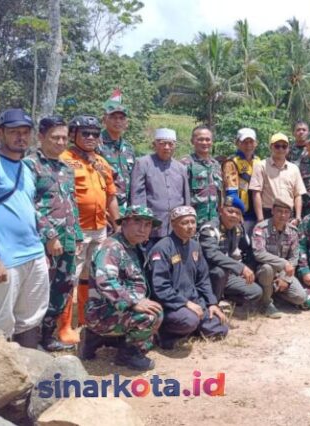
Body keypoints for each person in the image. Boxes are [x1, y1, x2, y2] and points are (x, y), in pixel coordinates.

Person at [0, 108, 48, 347]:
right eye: (14, 132)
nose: (20, 137)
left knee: (31, 317)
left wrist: (41, 251)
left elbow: (29, 210)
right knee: (0, 321)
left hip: (32, 254)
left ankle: (28, 370)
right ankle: (0, 377)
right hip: (3, 258)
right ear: (0, 132)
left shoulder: (27, 167)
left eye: (25, 132)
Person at [80, 206, 163, 371]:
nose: (142, 229)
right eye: (137, 222)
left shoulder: (135, 246)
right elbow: (106, 281)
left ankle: (96, 338)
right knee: (150, 316)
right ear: (124, 223)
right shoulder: (111, 247)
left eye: (147, 225)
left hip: (114, 308)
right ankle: (128, 354)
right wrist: (133, 303)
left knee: (155, 308)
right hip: (102, 312)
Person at [24, 115, 83, 351]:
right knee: (39, 289)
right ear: (41, 137)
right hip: (44, 242)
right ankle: (31, 339)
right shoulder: (30, 165)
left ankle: (48, 337)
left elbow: (72, 203)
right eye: (55, 137)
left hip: (68, 240)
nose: (60, 143)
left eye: (64, 138)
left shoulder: (66, 168)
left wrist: (77, 235)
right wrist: (50, 236)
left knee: (63, 287)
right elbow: (30, 205)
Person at [60, 115, 120, 328]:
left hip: (100, 229)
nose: (91, 137)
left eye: (95, 134)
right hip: (75, 230)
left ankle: (86, 318)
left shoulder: (102, 163)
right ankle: (63, 325)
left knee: (92, 275)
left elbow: (111, 196)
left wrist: (118, 223)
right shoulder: (63, 158)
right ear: (73, 135)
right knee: (70, 277)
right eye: (85, 133)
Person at [147, 206, 228, 349]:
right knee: (190, 320)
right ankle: (165, 332)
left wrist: (212, 303)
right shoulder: (162, 248)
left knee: (220, 327)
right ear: (173, 224)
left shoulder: (195, 246)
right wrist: (185, 303)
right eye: (185, 223)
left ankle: (192, 328)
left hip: (194, 302)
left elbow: (203, 280)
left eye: (193, 222)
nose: (190, 226)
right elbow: (160, 287)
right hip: (171, 305)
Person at [198, 196, 263, 314]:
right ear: (221, 210)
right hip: (209, 275)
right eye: (230, 211)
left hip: (229, 275)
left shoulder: (238, 229)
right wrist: (240, 268)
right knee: (219, 271)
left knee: (256, 292)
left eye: (237, 213)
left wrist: (249, 268)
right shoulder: (209, 229)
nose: (233, 215)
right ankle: (212, 304)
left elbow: (247, 249)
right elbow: (212, 254)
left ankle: (227, 300)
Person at [130, 128, 191, 245]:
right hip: (152, 227)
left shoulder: (181, 168)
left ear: (175, 146)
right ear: (155, 145)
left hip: (176, 225)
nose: (167, 147)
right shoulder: (143, 163)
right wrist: (141, 225)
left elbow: (186, 197)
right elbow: (137, 196)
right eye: (162, 143)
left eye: (170, 144)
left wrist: (186, 220)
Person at [251, 200, 307, 318]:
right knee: (267, 269)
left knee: (300, 298)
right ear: (272, 211)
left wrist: (285, 279)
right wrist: (283, 263)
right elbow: (259, 253)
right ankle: (266, 304)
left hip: (283, 272)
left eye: (286, 212)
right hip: (263, 271)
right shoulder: (261, 228)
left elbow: (294, 257)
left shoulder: (293, 231)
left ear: (290, 214)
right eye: (279, 211)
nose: (282, 215)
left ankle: (272, 293)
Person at [250, 132, 306, 223]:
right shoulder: (261, 166)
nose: (281, 149)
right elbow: (256, 193)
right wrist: (260, 218)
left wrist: (298, 217)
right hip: (268, 213)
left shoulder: (294, 168)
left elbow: (298, 194)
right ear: (271, 147)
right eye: (277, 146)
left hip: (288, 213)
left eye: (284, 146)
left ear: (288, 149)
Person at [97, 91, 136, 214]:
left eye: (121, 118)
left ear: (126, 123)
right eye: (113, 117)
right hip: (103, 207)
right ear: (104, 119)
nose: (117, 121)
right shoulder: (96, 144)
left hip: (125, 209)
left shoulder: (128, 148)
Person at [181, 125, 223, 227]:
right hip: (191, 221)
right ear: (192, 141)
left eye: (208, 139)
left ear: (212, 142)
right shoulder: (186, 163)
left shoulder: (216, 164)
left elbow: (220, 193)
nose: (204, 143)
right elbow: (179, 192)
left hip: (213, 219)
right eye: (200, 139)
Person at [227, 128, 261, 234]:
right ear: (237, 143)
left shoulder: (259, 161)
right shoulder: (231, 162)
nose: (248, 145)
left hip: (258, 213)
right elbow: (230, 194)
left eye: (251, 141)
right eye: (244, 142)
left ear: (256, 143)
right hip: (240, 213)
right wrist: (238, 211)